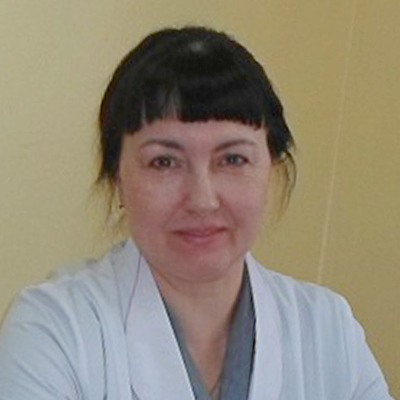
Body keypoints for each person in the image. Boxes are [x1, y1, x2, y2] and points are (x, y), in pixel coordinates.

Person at [0, 26, 393, 400]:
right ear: (117, 176)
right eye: (164, 162)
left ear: (271, 170)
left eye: (233, 159)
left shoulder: (328, 328)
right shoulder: (54, 328)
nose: (202, 200)